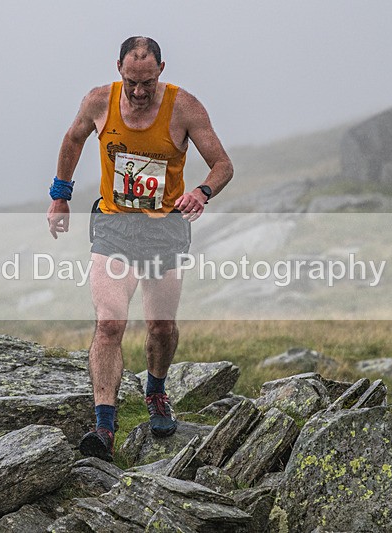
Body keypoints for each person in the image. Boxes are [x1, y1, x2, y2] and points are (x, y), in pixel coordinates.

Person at [46, 36, 233, 462]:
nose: (138, 91)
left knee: (160, 327)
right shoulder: (99, 101)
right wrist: (60, 195)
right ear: (119, 68)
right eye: (131, 81)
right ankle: (104, 426)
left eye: (147, 82)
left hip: (165, 230)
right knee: (109, 323)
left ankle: (156, 391)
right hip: (114, 226)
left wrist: (202, 192)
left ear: (161, 71)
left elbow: (223, 165)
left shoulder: (184, 107)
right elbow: (73, 139)